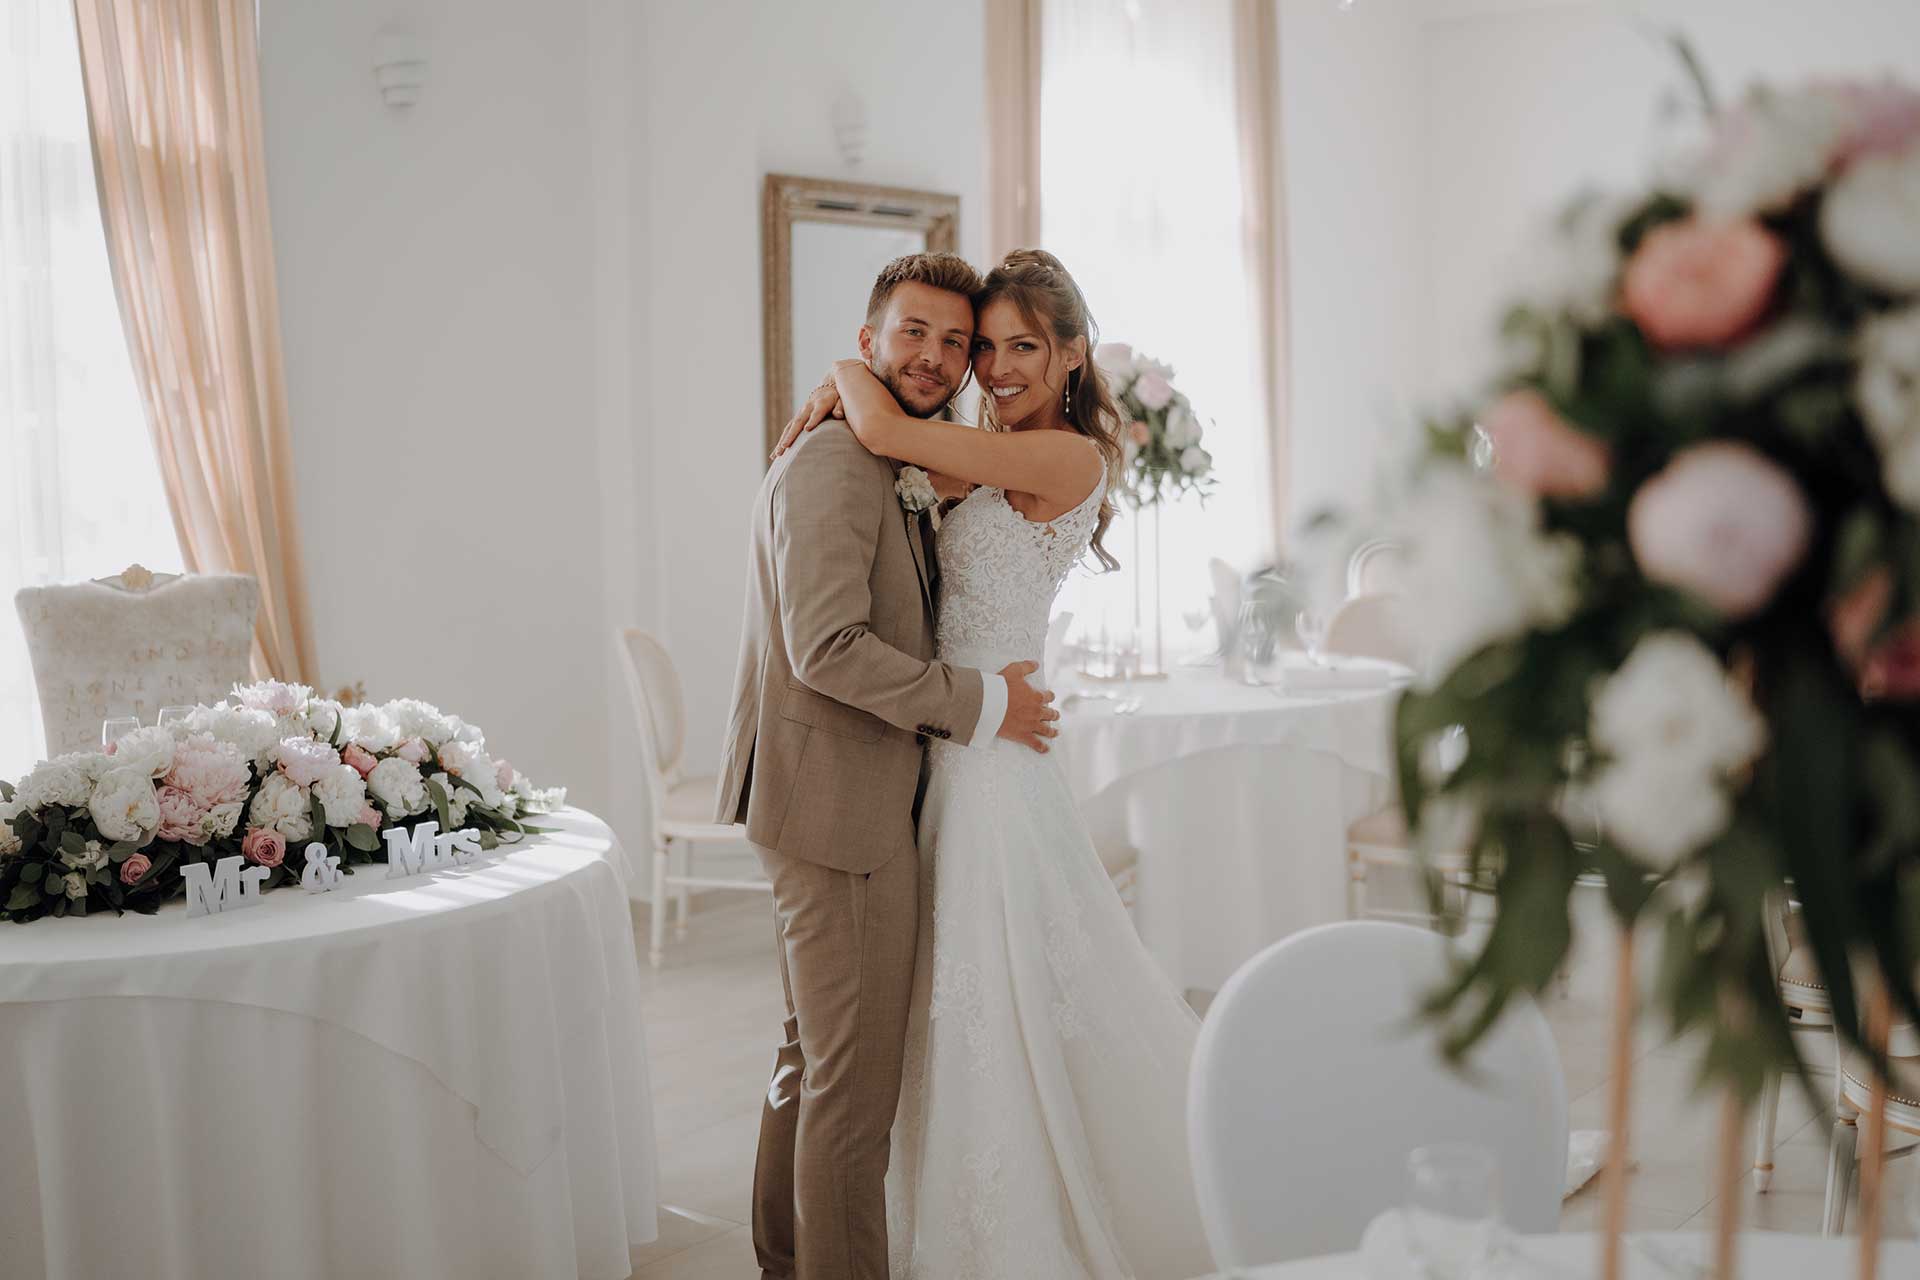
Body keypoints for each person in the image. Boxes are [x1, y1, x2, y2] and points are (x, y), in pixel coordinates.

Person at [775, 248, 1213, 1279]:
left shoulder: (1066, 459)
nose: (1000, 367)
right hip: (944, 750)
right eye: (991, 346)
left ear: (1071, 354)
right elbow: (890, 469)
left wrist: (841, 372)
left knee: (998, 986)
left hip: (996, 760)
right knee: (945, 1000)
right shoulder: (979, 447)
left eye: (1023, 346)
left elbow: (881, 430)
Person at [715, 251, 1061, 1280]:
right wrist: (984, 702)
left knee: (810, 1059)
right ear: (869, 339)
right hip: (840, 811)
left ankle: (785, 1259)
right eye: (915, 331)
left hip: (823, 797)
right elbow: (828, 648)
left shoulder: (879, 450)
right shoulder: (832, 461)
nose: (940, 355)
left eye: (956, 341)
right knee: (854, 1097)